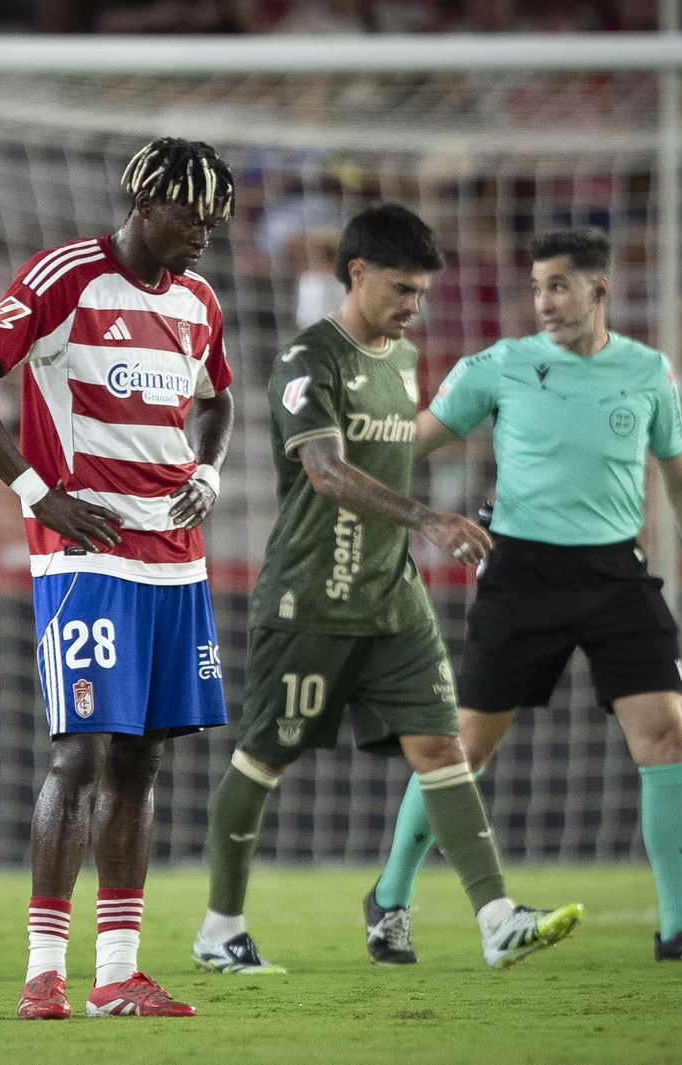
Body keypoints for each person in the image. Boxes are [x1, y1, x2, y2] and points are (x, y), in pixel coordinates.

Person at [191, 205, 582, 977]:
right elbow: (325, 472)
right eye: (402, 289)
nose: (414, 306)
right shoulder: (309, 360)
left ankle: (496, 919)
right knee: (266, 754)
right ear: (358, 272)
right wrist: (426, 517)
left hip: (392, 596)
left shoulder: (402, 358)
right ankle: (219, 928)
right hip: (312, 596)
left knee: (442, 746)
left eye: (422, 293)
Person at [368, 226, 682, 964]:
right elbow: (411, 440)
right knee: (463, 749)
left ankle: (678, 928)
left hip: (617, 576)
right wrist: (342, 454)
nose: (543, 301)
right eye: (537, 287)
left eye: (559, 285)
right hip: (521, 572)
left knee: (667, 736)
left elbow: (681, 476)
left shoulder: (647, 370)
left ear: (599, 288)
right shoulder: (499, 365)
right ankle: (389, 900)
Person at [0, 137, 237, 1020]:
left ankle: (118, 973)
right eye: (192, 216)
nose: (205, 235)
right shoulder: (65, 277)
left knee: (143, 758)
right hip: (86, 554)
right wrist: (39, 493)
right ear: (144, 204)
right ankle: (43, 973)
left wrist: (209, 471)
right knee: (80, 753)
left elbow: (218, 397)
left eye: (214, 222)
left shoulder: (200, 301)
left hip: (174, 557)